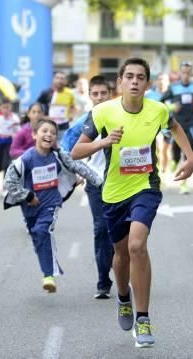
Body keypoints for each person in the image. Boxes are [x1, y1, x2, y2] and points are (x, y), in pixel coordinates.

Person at [71, 57, 193, 349]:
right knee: (120, 253)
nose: (135, 81)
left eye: (141, 77)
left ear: (148, 84)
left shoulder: (158, 110)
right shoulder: (102, 112)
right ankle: (123, 297)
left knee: (137, 245)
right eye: (129, 76)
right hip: (114, 192)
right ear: (120, 82)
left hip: (146, 186)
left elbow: (175, 128)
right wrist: (103, 143)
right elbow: (77, 151)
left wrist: (190, 158)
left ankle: (143, 318)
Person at [3, 118, 101, 293]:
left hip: (51, 204)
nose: (49, 135)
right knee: (37, 235)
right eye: (44, 131)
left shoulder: (59, 155)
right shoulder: (25, 159)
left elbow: (78, 166)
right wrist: (27, 195)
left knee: (43, 230)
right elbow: (9, 182)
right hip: (30, 207)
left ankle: (48, 275)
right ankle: (47, 272)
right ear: (34, 135)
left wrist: (100, 182)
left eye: (53, 133)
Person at [61, 75, 115, 299]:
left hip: (123, 182)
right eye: (96, 94)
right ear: (90, 96)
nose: (100, 97)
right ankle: (103, 280)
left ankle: (122, 271)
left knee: (122, 231)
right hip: (95, 182)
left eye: (104, 93)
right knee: (101, 229)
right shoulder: (83, 122)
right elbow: (65, 150)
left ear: (110, 94)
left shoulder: (120, 116)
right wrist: (79, 171)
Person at [160, 60, 193, 194]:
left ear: (191, 73)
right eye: (183, 72)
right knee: (176, 155)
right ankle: (173, 162)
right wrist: (172, 107)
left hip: (191, 124)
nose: (185, 75)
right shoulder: (173, 87)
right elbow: (160, 102)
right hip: (176, 124)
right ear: (180, 73)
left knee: (189, 153)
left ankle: (184, 184)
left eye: (188, 73)